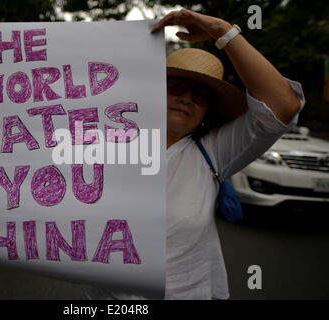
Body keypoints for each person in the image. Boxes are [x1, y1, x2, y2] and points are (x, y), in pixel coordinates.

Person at [86, 8, 304, 299]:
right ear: (153, 92)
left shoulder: (213, 151)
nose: (186, 98)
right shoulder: (106, 143)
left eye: (199, 95)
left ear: (206, 113)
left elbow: (283, 105)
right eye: (176, 86)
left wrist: (222, 30)